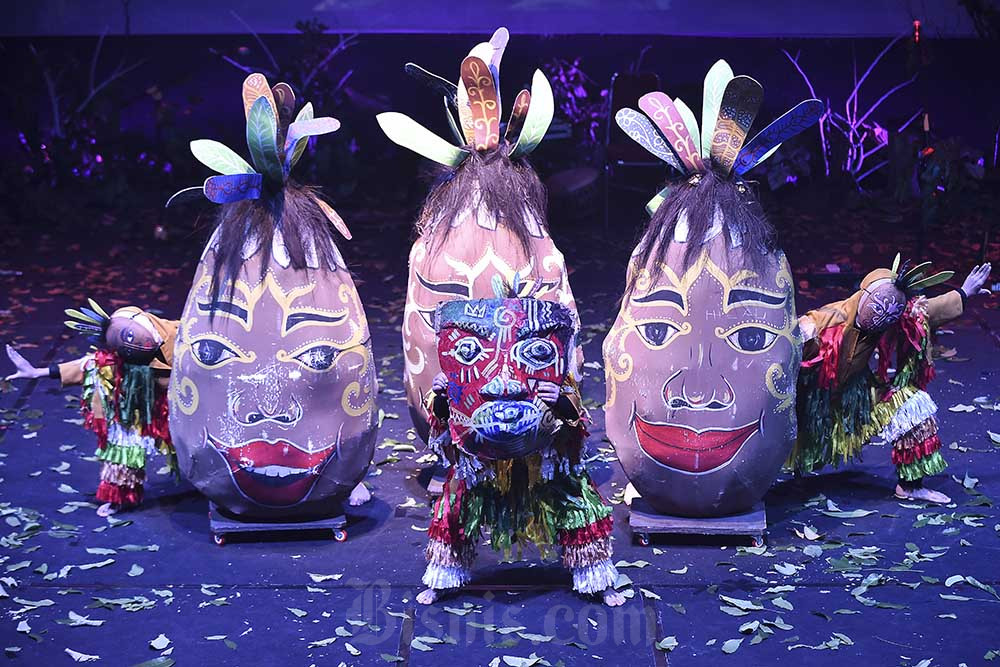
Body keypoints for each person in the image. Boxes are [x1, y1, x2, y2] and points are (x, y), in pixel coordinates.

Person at [416, 292, 624, 607]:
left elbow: (575, 425)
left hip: (541, 466)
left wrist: (559, 400)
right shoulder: (456, 377)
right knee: (453, 509)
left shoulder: (556, 380)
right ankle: (443, 578)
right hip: (483, 467)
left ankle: (598, 580)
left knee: (580, 506)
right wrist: (444, 396)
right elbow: (444, 423)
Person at [791, 259, 992, 503]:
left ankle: (909, 486)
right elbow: (776, 350)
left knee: (912, 405)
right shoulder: (820, 324)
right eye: (877, 309)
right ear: (863, 296)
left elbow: (925, 312)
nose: (881, 319)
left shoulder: (895, 312)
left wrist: (964, 292)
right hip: (806, 403)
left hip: (855, 400)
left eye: (889, 315)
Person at [5, 302, 178, 516]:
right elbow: (80, 367)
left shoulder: (171, 340)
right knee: (122, 458)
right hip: (128, 420)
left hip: (170, 410)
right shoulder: (108, 364)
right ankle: (122, 497)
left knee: (189, 445)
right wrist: (35, 372)